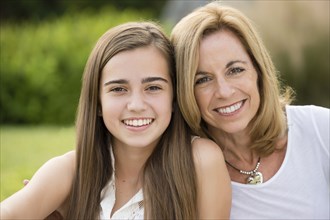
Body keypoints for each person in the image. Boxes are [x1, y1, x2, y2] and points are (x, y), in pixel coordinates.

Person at [0, 21, 231, 219]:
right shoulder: (70, 170)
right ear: (98, 102)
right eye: (119, 89)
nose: (137, 105)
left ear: (173, 97)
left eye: (153, 87)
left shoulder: (200, 160)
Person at [171, 1, 329, 219]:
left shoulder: (320, 129)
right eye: (203, 79)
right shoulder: (185, 171)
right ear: (185, 90)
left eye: (235, 70)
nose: (224, 92)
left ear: (258, 70)